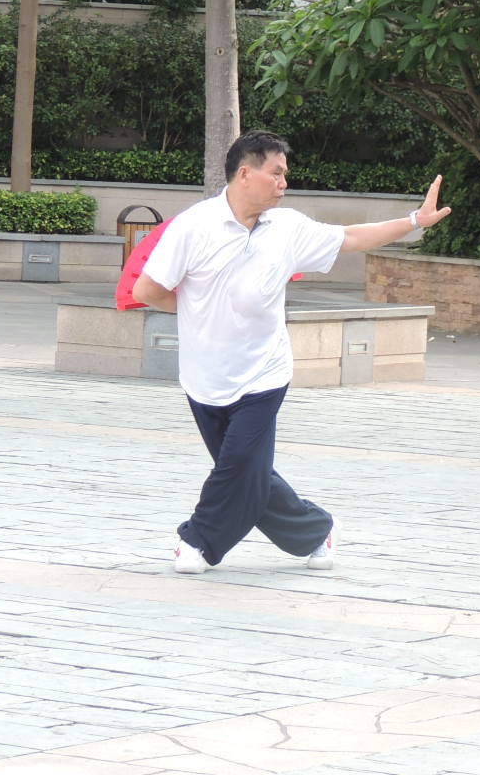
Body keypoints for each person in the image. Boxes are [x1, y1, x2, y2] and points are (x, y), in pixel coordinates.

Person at [133, 130, 452, 574]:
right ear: (245, 173)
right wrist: (198, 309)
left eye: (286, 174)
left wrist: (414, 221)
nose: (285, 183)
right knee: (247, 473)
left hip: (265, 373)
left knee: (240, 462)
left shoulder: (288, 228)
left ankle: (198, 541)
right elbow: (147, 289)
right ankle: (318, 530)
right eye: (276, 173)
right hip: (204, 377)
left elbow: (351, 238)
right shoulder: (192, 227)